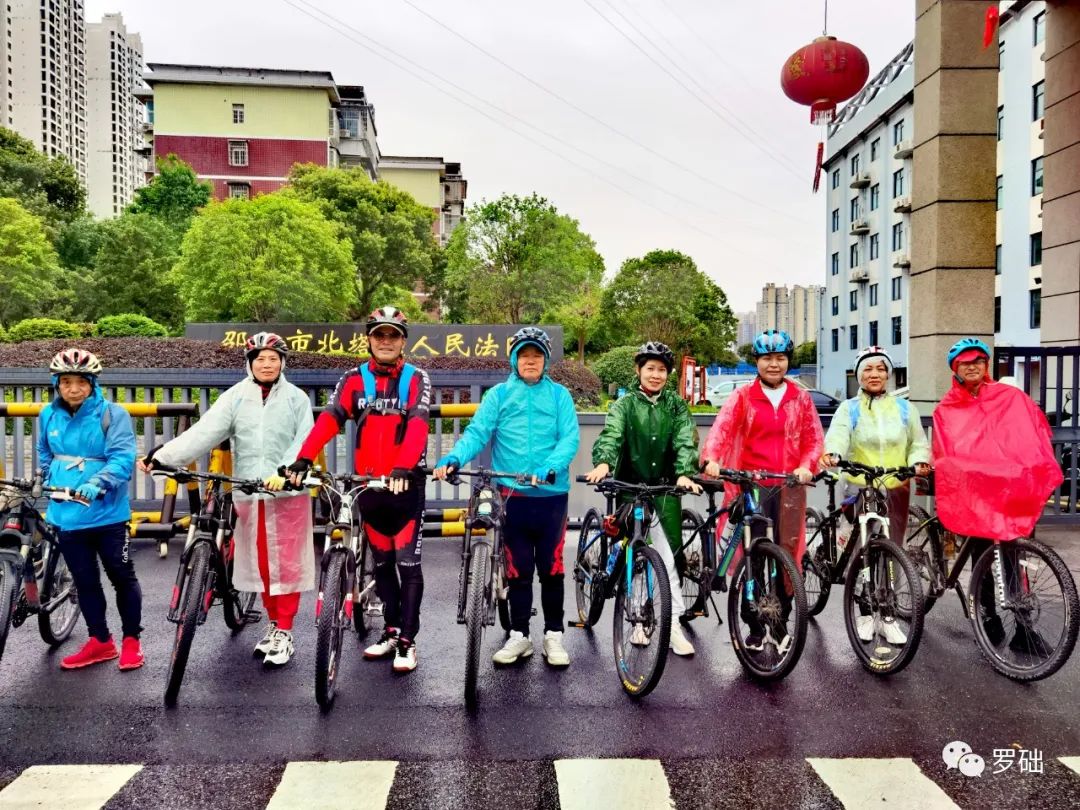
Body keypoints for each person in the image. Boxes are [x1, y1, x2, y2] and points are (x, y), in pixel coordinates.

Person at [140, 333, 314, 667]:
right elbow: (204, 432)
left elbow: (305, 439)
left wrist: (288, 469)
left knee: (285, 564)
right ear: (249, 363)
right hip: (248, 490)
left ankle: (286, 629)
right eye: (260, 359)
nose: (267, 364)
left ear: (283, 362)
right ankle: (274, 623)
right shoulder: (235, 397)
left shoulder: (296, 399)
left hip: (286, 492)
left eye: (273, 358)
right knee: (262, 563)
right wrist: (164, 455)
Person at [286, 306, 431, 673]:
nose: (386, 341)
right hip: (369, 486)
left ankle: (408, 642)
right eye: (379, 335)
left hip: (404, 485)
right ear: (369, 339)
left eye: (393, 335)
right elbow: (330, 420)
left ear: (402, 342)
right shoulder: (352, 379)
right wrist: (304, 458)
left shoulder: (417, 378)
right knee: (382, 565)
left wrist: (405, 465)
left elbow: (417, 424)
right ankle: (392, 630)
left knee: (408, 565)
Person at [433, 327, 580, 667]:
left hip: (551, 494)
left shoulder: (560, 396)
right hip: (511, 493)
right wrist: (453, 458)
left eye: (537, 355)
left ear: (545, 361)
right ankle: (520, 636)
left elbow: (569, 439)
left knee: (552, 567)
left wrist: (550, 466)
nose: (531, 361)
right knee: (518, 569)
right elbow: (477, 433)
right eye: (525, 355)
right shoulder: (498, 396)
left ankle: (553, 635)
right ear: (515, 359)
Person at [932, 337, 1063, 650]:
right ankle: (987, 613)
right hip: (975, 496)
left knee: (1013, 558)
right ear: (956, 369)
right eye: (966, 362)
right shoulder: (947, 409)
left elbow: (1032, 432)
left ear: (987, 365)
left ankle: (1023, 627)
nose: (974, 366)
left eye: (979, 361)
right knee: (983, 558)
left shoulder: (1008, 397)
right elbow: (945, 451)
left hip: (1008, 493)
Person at [700, 329, 823, 651]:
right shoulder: (742, 397)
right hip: (751, 486)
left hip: (789, 486)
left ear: (788, 362)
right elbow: (722, 429)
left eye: (780, 358)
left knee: (788, 557)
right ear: (757, 362)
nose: (774, 364)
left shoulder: (801, 398)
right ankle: (753, 624)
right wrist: (711, 458)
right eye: (767, 358)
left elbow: (813, 439)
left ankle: (781, 625)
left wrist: (808, 465)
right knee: (751, 556)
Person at [584, 341, 701, 656]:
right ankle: (637, 620)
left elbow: (685, 439)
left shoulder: (676, 405)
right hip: (629, 488)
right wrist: (605, 462)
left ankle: (673, 624)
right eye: (650, 368)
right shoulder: (623, 405)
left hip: (665, 489)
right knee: (635, 556)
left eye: (662, 369)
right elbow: (612, 434)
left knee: (671, 558)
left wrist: (683, 471)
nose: (656, 374)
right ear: (638, 371)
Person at [37, 348, 143, 671]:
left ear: (93, 383)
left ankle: (131, 642)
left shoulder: (113, 414)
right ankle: (100, 641)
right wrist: (47, 475)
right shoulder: (48, 415)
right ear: (57, 383)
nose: (73, 388)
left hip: (107, 513)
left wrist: (99, 482)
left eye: (80, 382)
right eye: (66, 381)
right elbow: (45, 451)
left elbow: (123, 458)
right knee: (84, 581)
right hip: (66, 512)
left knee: (121, 577)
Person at [820, 345, 930, 644]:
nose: (874, 374)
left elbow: (917, 442)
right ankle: (867, 613)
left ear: (888, 374)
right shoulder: (849, 408)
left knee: (893, 549)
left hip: (895, 485)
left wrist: (919, 461)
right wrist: (833, 453)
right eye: (868, 369)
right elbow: (839, 434)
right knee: (864, 551)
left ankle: (889, 615)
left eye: (880, 369)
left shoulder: (906, 409)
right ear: (859, 375)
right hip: (861, 485)